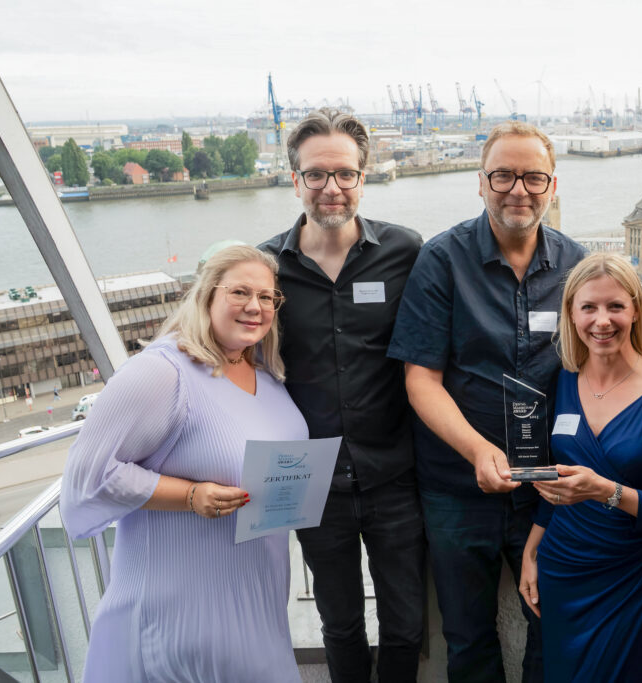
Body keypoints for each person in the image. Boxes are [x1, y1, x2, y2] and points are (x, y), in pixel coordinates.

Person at [387, 121, 586, 682]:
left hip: (549, 487)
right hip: (457, 486)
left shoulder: (578, 265)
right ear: (480, 183)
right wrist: (478, 451)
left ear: (552, 185)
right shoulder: (441, 260)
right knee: (468, 637)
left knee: (555, 623)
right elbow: (421, 378)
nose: (517, 190)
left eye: (532, 177)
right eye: (502, 175)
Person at [60, 245, 305, 683]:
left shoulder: (265, 373)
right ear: (206, 295)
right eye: (240, 293)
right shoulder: (162, 372)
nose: (255, 307)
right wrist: (191, 496)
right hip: (178, 611)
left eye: (267, 297)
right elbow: (89, 476)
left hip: (257, 599)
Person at [259, 108, 425, 683]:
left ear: (364, 176)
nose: (332, 188)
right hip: (310, 479)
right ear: (294, 178)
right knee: (341, 624)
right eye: (316, 174)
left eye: (345, 174)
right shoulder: (265, 267)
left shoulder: (405, 251)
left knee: (406, 624)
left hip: (395, 473)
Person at [518, 252, 642, 682]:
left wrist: (607, 491)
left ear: (636, 310)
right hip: (562, 565)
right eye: (589, 307)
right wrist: (532, 549)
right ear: (571, 313)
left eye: (615, 306)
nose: (602, 321)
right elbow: (561, 477)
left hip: (633, 576)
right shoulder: (565, 378)